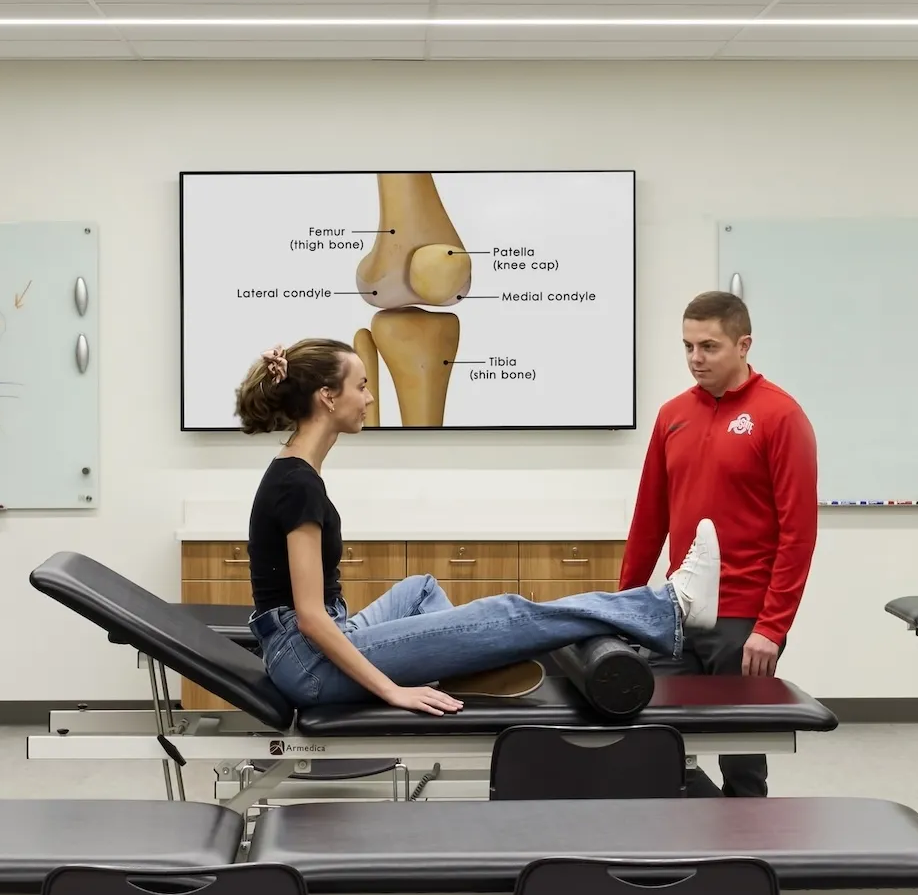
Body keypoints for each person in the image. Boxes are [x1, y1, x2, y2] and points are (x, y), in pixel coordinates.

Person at [235, 338, 721, 713]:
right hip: (309, 665)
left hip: (308, 647)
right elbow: (310, 618)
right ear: (326, 397)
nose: (369, 397)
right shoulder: (297, 485)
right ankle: (668, 606)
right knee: (507, 611)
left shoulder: (295, 471)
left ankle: (465, 660)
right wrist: (393, 691)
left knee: (420, 589)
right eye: (361, 385)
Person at [619, 291, 817, 798]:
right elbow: (649, 519)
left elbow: (798, 532)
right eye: (687, 347)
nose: (695, 359)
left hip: (745, 618)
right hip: (677, 610)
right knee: (652, 736)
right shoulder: (671, 416)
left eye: (708, 346)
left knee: (742, 755)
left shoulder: (780, 416)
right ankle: (681, 844)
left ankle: (745, 853)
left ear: (744, 344)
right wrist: (625, 607)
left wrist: (772, 627)